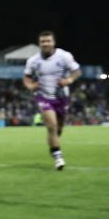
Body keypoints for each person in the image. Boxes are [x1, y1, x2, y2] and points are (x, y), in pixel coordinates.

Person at [23, 31, 81, 170]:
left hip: (62, 97)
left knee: (58, 128)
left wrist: (69, 80)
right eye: (43, 41)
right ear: (39, 44)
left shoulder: (64, 56)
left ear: (53, 42)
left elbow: (77, 71)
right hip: (43, 96)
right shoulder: (33, 60)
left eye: (48, 41)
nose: (45, 44)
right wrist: (31, 86)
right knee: (52, 126)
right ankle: (58, 158)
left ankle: (53, 146)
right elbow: (26, 77)